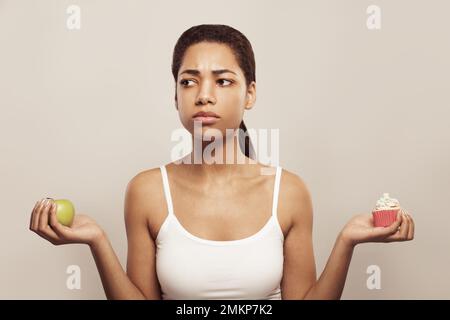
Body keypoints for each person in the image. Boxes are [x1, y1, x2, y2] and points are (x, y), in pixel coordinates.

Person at [29, 24, 415, 300]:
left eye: (223, 81)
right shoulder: (147, 190)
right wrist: (97, 240)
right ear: (175, 95)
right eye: (189, 81)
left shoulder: (288, 192)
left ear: (250, 94)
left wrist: (347, 240)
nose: (203, 95)